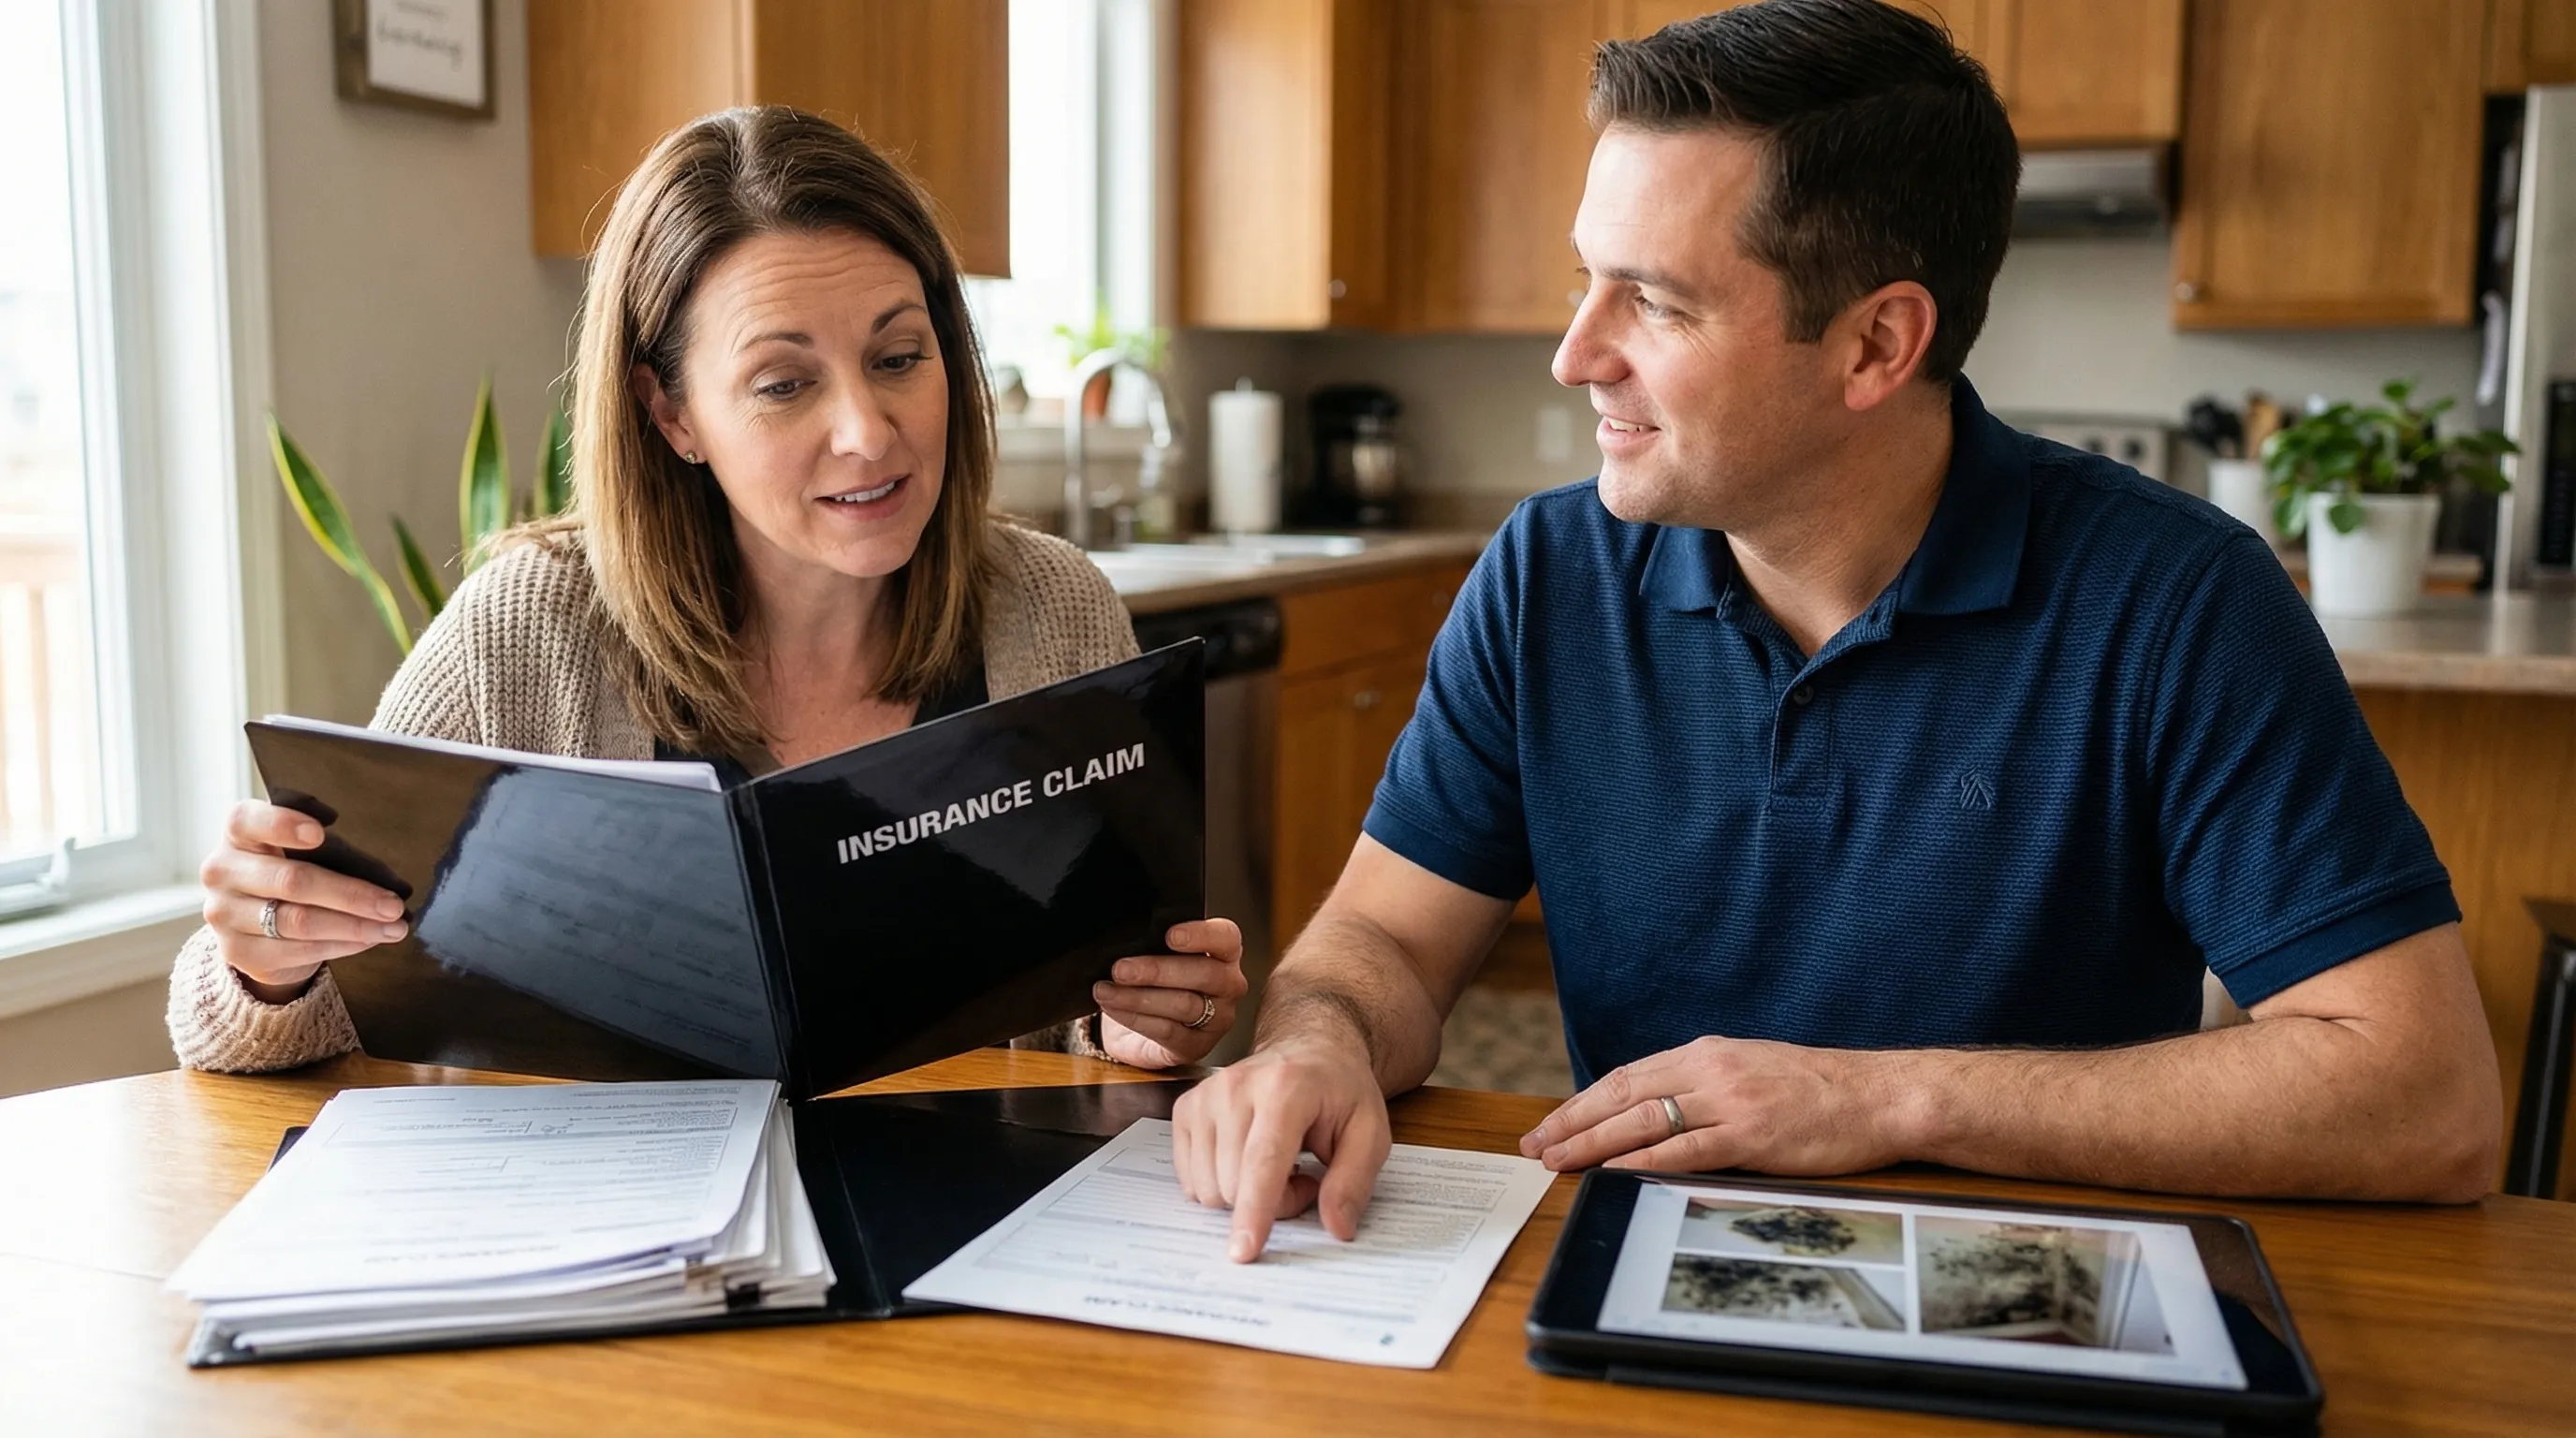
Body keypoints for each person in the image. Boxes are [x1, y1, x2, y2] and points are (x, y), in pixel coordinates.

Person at [1175, 0, 2502, 1262]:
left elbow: (2428, 1101)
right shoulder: (1548, 573)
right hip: (1634, 1283)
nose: (1576, 354)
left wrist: (1883, 1103)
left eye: (1657, 300)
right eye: (1587, 281)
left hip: (2023, 1299)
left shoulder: (2176, 600)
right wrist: (1320, 1038)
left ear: (1878, 345)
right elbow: (1386, 943)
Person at [169, 107, 1244, 1075]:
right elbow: (294, 1014)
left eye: (900, 357)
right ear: (672, 414)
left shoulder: (1052, 610)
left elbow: (1102, 1013)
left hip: (966, 1232)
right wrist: (271, 963)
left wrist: (1145, 1024)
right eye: (784, 383)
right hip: (621, 1250)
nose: (869, 431)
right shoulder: (527, 633)